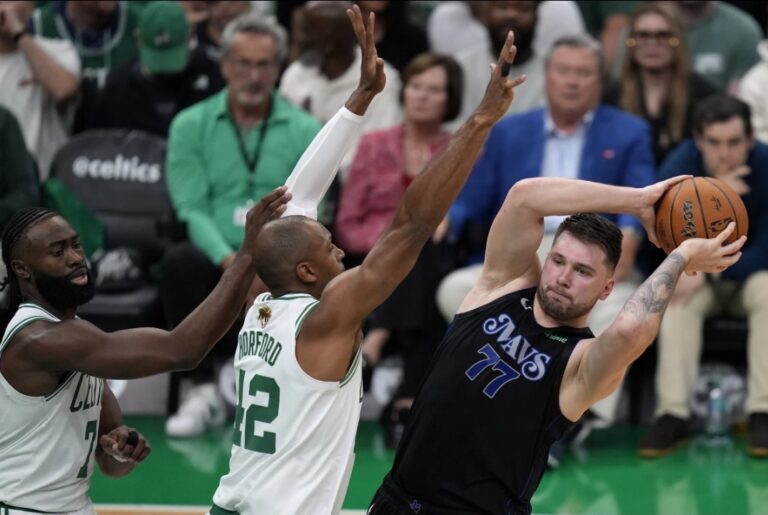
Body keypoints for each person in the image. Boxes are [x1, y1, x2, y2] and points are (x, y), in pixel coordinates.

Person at [208, 6, 526, 514]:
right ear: (308, 272)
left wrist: (361, 97)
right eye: (328, 246)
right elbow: (412, 226)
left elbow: (300, 195)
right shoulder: (326, 318)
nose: (339, 249)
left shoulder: (260, 300)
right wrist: (480, 121)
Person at [367, 175, 746, 515]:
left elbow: (630, 331)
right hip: (394, 500)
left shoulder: (579, 363)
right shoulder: (501, 286)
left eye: (583, 271)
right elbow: (524, 196)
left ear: (607, 289)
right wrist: (637, 201)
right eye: (558, 261)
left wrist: (680, 256)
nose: (563, 277)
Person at [0, 186, 290, 514]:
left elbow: (110, 462)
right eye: (57, 252)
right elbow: (182, 350)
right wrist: (249, 254)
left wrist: (119, 449)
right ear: (23, 269)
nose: (76, 258)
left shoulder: (76, 336)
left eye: (76, 245)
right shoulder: (40, 339)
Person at [436, 34, 656, 428]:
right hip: (526, 249)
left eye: (583, 73)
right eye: (564, 71)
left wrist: (630, 243)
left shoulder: (629, 131)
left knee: (621, 315)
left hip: (596, 255)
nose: (572, 81)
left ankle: (575, 418)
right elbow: (478, 192)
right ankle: (505, 394)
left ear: (599, 80)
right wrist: (451, 215)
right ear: (548, 76)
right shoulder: (510, 130)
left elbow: (641, 197)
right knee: (453, 289)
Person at [161, 12, 320, 438]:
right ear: (224, 65)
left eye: (264, 64)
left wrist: (267, 261)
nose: (253, 75)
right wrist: (237, 260)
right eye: (243, 63)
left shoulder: (306, 128)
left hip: (280, 255)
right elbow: (191, 208)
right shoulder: (189, 125)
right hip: (217, 252)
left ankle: (289, 392)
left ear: (280, 67)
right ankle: (197, 390)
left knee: (310, 267)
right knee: (179, 261)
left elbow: (305, 209)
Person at [334, 52, 463, 444]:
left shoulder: (461, 148)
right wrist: (394, 238)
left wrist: (413, 237)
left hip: (435, 259)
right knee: (414, 245)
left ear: (450, 99)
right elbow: (347, 224)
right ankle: (407, 397)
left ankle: (377, 339)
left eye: (434, 90)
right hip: (373, 258)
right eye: (416, 86)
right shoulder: (373, 145)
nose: (422, 96)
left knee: (424, 251)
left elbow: (465, 213)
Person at [638, 95, 768, 458]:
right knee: (678, 301)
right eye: (713, 143)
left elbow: (765, 249)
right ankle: (672, 414)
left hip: (748, 277)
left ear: (750, 140)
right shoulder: (679, 168)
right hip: (696, 278)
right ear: (697, 140)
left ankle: (763, 411)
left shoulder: (766, 164)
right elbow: (657, 242)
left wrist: (704, 269)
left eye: (733, 143)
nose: (723, 153)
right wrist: (716, 191)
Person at [279, 0, 402, 179]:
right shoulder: (295, 74)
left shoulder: (381, 81)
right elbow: (282, 141)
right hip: (293, 179)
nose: (300, 40)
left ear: (329, 43)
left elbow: (376, 152)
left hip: (353, 185)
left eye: (308, 33)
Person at [87, 1, 225, 136]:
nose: (165, 71)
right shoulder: (119, 86)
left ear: (190, 37)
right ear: (138, 39)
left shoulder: (214, 74)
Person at [604, 2, 717, 165]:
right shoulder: (611, 97)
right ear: (630, 42)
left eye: (663, 35)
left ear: (678, 40)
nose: (652, 44)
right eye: (643, 35)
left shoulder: (704, 96)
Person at [0, 0, 80, 180]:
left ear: (31, 7)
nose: (3, 8)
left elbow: (63, 89)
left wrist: (19, 33)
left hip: (46, 185)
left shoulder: (58, 50)